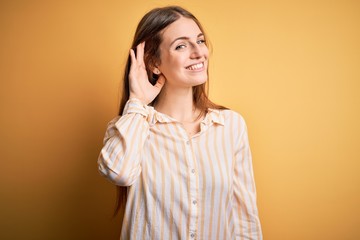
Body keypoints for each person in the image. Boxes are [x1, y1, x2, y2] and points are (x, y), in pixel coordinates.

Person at [98, 6, 262, 240]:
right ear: (154, 62)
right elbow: (119, 173)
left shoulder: (231, 125)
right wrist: (137, 102)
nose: (198, 52)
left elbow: (245, 217)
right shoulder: (130, 127)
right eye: (181, 45)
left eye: (200, 41)